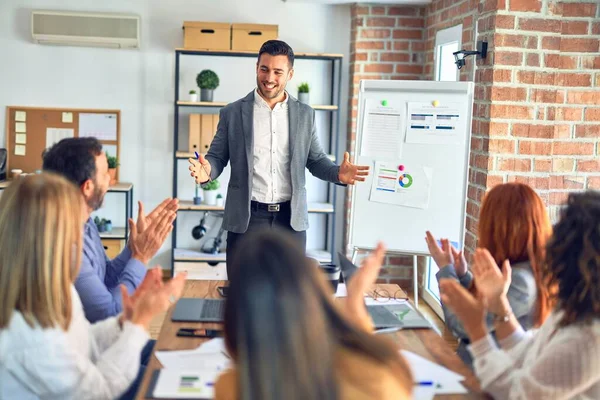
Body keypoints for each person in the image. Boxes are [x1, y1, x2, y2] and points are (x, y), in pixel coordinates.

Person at [188, 39, 369, 278]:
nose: (269, 77)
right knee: (243, 295)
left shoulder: (305, 115)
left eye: (277, 71)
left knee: (289, 294)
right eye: (264, 69)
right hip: (247, 218)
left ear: (290, 74)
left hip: (290, 220)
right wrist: (207, 170)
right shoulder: (232, 112)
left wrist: (338, 173)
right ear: (256, 68)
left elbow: (315, 160)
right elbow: (217, 156)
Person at [0, 173, 187, 399]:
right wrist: (140, 321)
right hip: (96, 388)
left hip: (90, 373)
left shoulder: (52, 286)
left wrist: (126, 319)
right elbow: (100, 392)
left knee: (177, 359)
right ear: (51, 239)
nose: (82, 235)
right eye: (75, 227)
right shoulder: (31, 340)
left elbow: (84, 340)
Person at [214, 230, 413, 400]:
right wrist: (355, 302)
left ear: (236, 315)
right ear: (313, 295)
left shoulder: (231, 386)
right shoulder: (378, 373)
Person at [439, 190, 600, 399]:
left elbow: (516, 394)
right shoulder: (574, 306)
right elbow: (529, 353)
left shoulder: (587, 339)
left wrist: (477, 330)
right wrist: (498, 302)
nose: (549, 240)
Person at [42, 137, 178, 322]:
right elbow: (110, 316)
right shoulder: (66, 246)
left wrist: (133, 249)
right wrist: (141, 257)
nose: (111, 180)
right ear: (87, 187)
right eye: (106, 174)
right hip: (87, 346)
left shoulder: (86, 225)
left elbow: (106, 277)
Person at [425, 182, 552, 367]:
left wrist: (446, 270)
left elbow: (463, 326)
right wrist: (461, 275)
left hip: (483, 378)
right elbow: (483, 308)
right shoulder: (524, 267)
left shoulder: (520, 280)